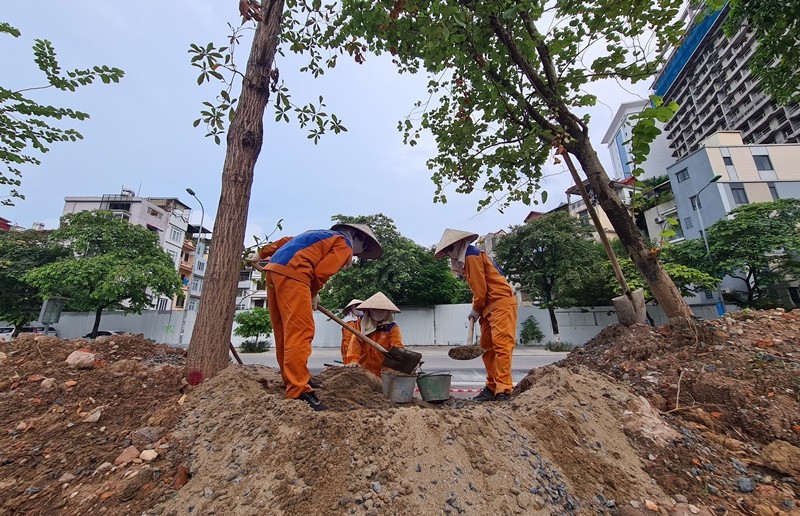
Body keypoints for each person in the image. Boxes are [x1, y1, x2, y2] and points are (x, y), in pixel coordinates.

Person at [261, 223, 382, 411]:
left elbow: (285, 241)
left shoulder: (318, 234)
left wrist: (260, 254)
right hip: (295, 273)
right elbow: (321, 272)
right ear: (359, 238)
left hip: (274, 271)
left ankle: (292, 379)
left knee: (284, 331)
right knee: (300, 331)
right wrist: (314, 292)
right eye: (363, 249)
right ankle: (299, 390)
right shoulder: (344, 243)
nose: (358, 254)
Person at [434, 229, 517, 402]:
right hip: (488, 307)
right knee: (487, 348)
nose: (450, 255)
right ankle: (492, 386)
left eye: (450, 249)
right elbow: (478, 288)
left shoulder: (471, 255)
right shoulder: (467, 258)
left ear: (458, 244)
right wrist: (478, 308)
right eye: (447, 251)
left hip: (500, 303)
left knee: (501, 347)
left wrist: (475, 308)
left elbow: (481, 289)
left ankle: (503, 390)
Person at [344, 292, 405, 378]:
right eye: (375, 309)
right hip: (364, 370)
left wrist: (403, 358)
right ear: (369, 310)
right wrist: (353, 360)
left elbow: (397, 346)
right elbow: (354, 343)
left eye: (382, 310)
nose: (378, 312)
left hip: (385, 372)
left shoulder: (392, 327)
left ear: (387, 312)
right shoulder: (361, 324)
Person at [340, 298, 363, 364]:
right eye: (356, 307)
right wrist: (352, 357)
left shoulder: (361, 320)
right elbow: (348, 341)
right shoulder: (349, 322)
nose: (359, 309)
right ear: (351, 308)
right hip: (351, 353)